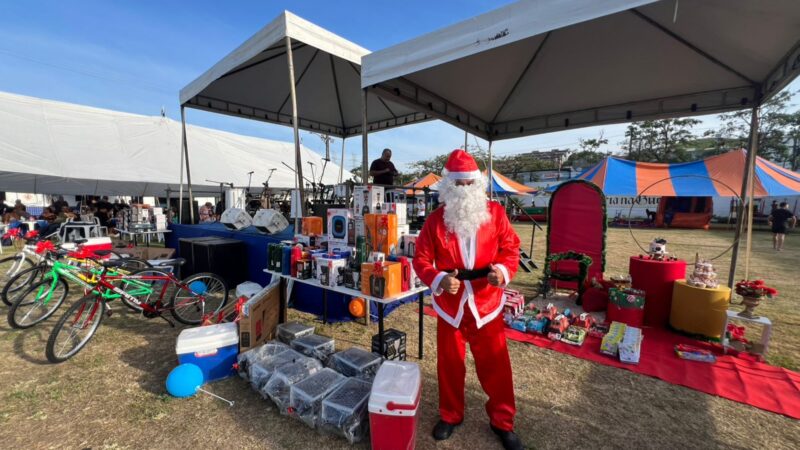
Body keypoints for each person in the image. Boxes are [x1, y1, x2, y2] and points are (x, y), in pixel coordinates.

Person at [413, 149, 522, 450]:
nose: (464, 191)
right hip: (451, 304)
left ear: (478, 184)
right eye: (458, 185)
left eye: (469, 184)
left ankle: (503, 421)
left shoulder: (496, 214)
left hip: (487, 301)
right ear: (448, 186)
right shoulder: (436, 220)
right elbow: (421, 258)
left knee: (496, 364)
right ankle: (450, 415)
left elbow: (511, 248)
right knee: (449, 363)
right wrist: (438, 278)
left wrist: (501, 270)